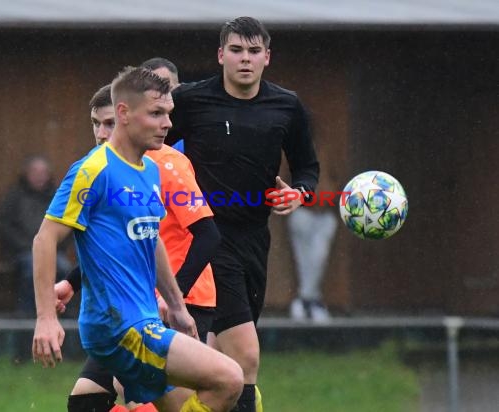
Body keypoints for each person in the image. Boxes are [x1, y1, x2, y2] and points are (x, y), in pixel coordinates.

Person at [32, 66, 243, 412]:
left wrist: (176, 305)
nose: (168, 124)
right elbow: (45, 239)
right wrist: (46, 318)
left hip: (144, 318)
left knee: (186, 403)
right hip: (118, 327)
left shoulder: (150, 170)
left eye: (169, 114)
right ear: (124, 113)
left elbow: (152, 240)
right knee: (229, 378)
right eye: (157, 113)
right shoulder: (93, 169)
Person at [166, 17, 320, 412]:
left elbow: (306, 167)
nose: (245, 59)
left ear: (267, 57)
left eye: (254, 52)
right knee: (247, 357)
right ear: (221, 55)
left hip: (254, 240)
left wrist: (300, 193)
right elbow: (152, 147)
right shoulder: (190, 101)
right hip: (206, 239)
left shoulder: (286, 105)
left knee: (223, 359)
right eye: (236, 50)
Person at [0, 154, 73, 316]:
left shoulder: (57, 197)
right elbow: (3, 226)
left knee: (65, 270)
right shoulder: (14, 198)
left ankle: (62, 314)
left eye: (43, 173)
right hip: (22, 253)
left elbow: (68, 225)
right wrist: (26, 246)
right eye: (35, 172)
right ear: (26, 173)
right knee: (31, 270)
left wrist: (54, 246)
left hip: (54, 252)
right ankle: (28, 316)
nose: (39, 177)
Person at [287, 207, 337, 322]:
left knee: (319, 257)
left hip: (325, 215)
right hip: (302, 213)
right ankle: (311, 302)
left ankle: (304, 299)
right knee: (303, 262)